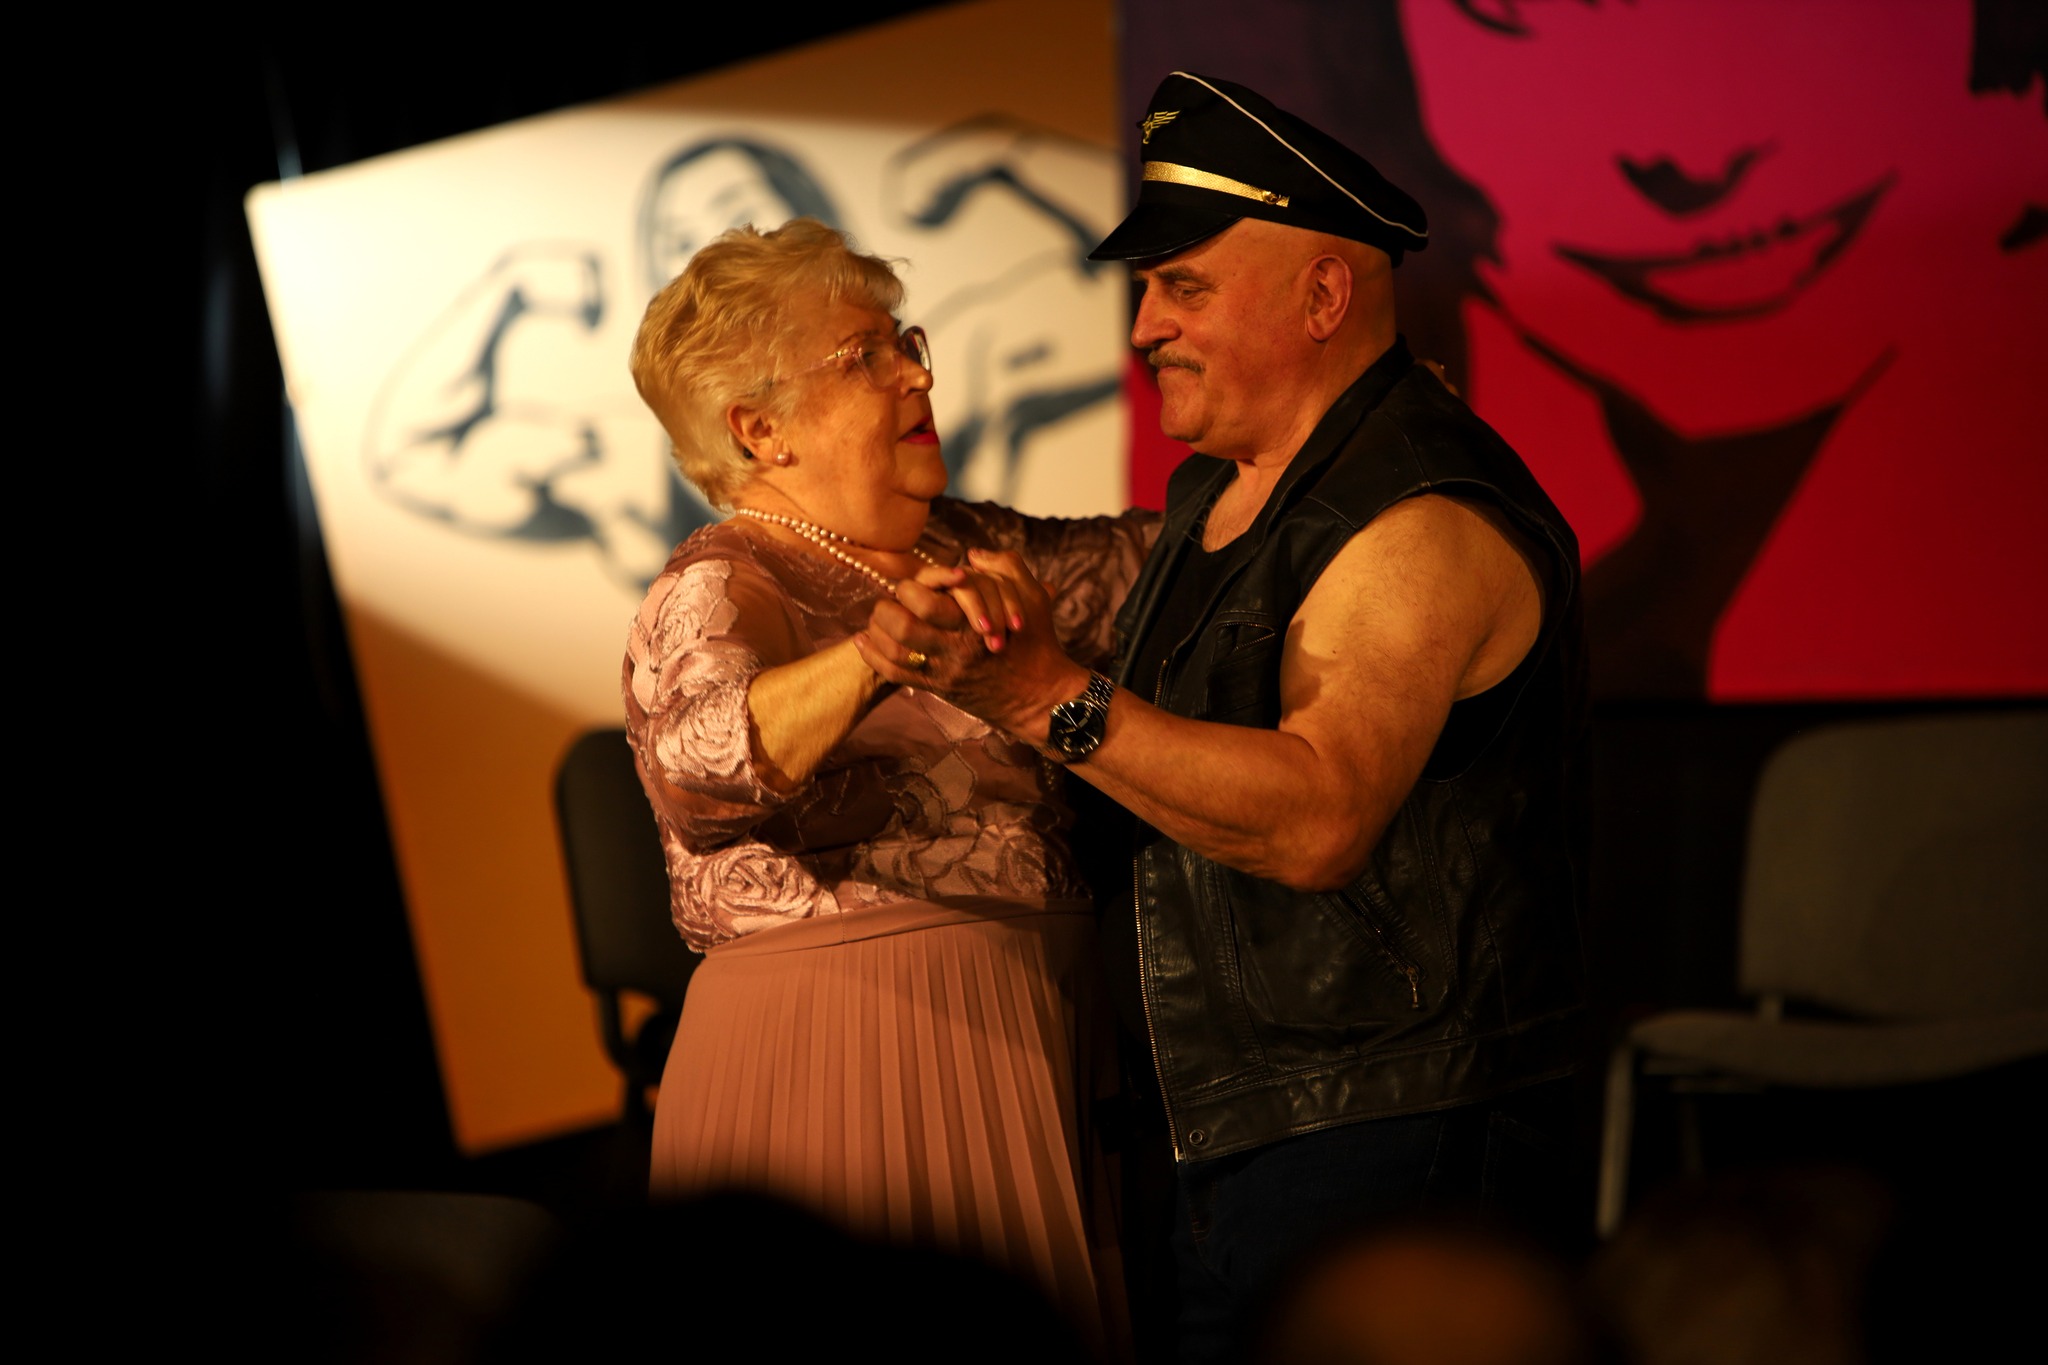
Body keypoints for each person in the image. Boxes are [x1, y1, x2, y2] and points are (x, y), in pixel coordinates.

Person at [863, 73, 1590, 1362]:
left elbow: (1318, 820)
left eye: (1182, 287)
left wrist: (1039, 695)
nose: (1143, 326)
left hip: (1384, 1132)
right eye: (1146, 290)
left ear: (1323, 296)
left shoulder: (1417, 517)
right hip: (1230, 1132)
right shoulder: (1218, 490)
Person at [620, 217, 1157, 1348]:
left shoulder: (975, 544)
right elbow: (695, 772)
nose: (916, 373)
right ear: (760, 428)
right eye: (865, 356)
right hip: (848, 1051)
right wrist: (874, 656)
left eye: (903, 343)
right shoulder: (723, 579)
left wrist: (1320, 464)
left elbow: (1169, 566)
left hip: (1036, 1037)